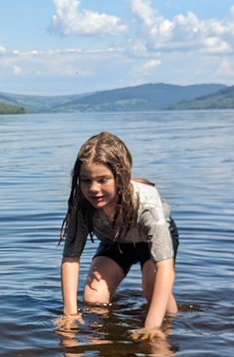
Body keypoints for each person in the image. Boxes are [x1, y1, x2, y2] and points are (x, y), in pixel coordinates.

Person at [59, 131, 178, 340]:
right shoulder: (81, 205)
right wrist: (70, 314)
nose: (94, 189)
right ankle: (105, 350)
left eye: (102, 180)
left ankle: (167, 334)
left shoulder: (146, 204)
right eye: (86, 180)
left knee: (153, 286)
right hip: (115, 240)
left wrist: (152, 326)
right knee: (94, 299)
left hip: (151, 243)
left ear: (120, 176)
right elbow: (70, 259)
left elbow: (165, 267)